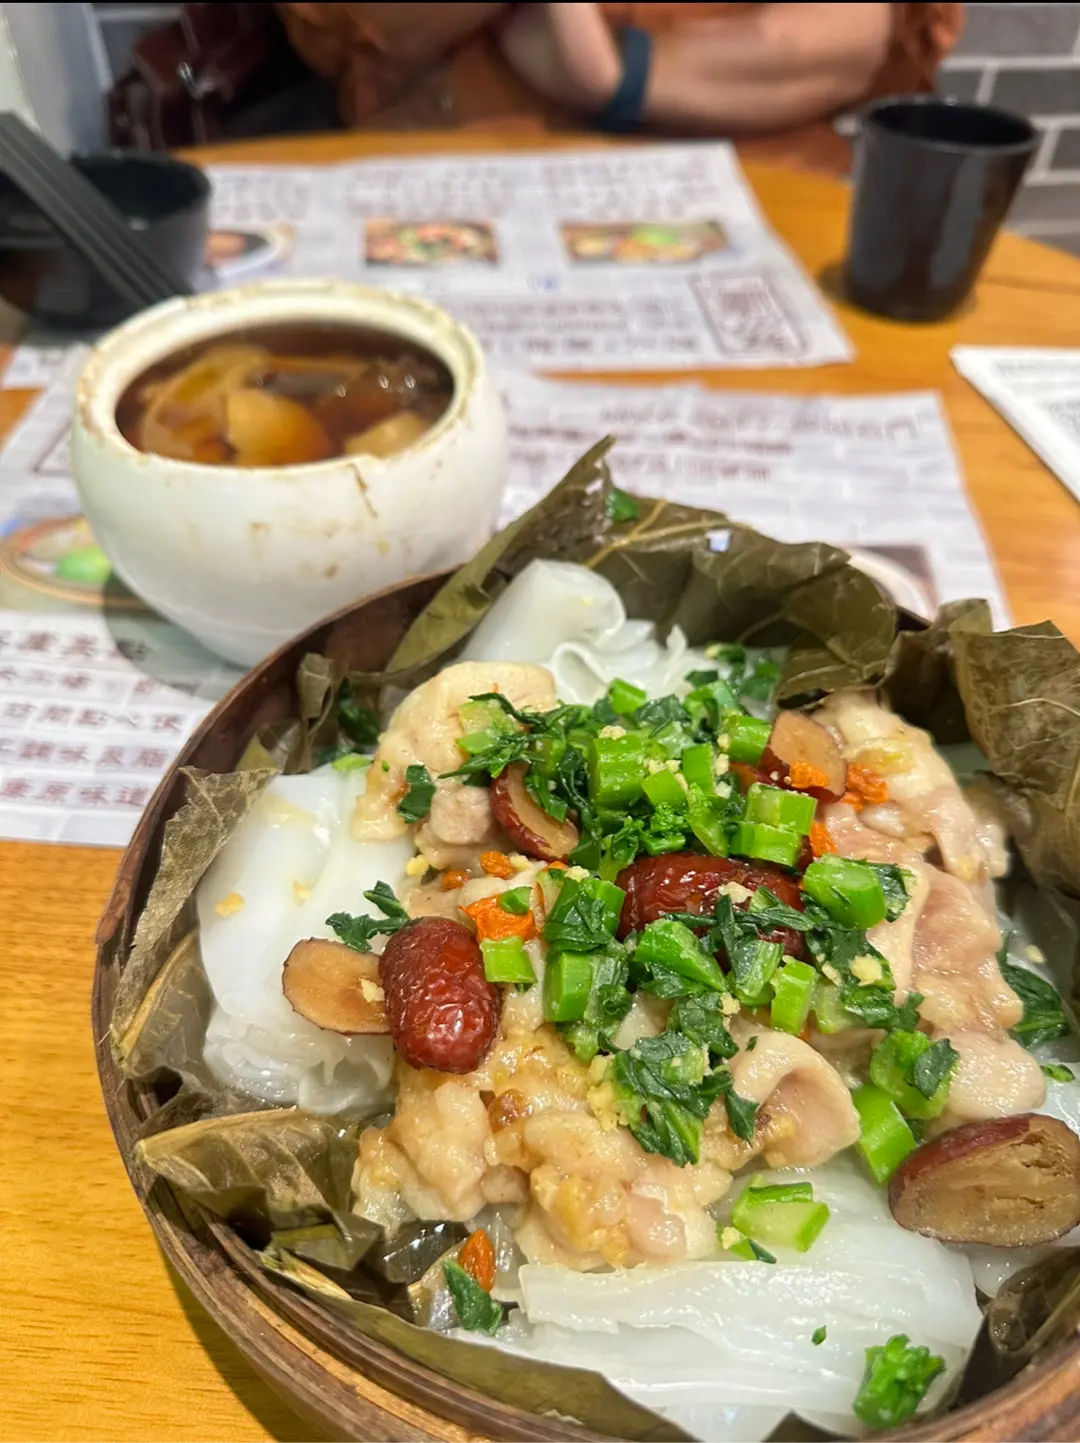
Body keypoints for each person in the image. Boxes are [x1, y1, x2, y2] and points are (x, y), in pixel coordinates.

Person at [277, 2, 963, 174]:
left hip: (755, 177)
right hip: (457, 175)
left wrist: (621, 77)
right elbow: (345, 29)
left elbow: (860, 38)